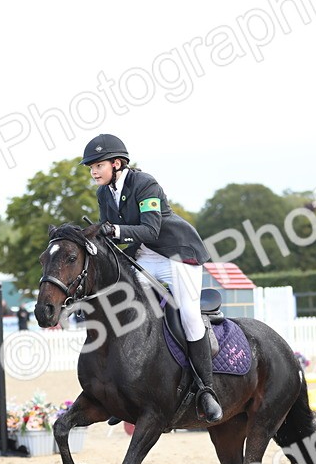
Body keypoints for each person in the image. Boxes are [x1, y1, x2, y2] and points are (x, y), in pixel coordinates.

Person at [81, 133, 223, 423]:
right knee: (126, 306)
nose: (93, 171)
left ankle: (206, 390)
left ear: (117, 164)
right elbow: (111, 237)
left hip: (178, 254)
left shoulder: (145, 184)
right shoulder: (103, 193)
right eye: (91, 167)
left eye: (98, 165)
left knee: (189, 315)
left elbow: (151, 230)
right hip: (145, 254)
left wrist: (114, 231)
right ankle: (129, 390)